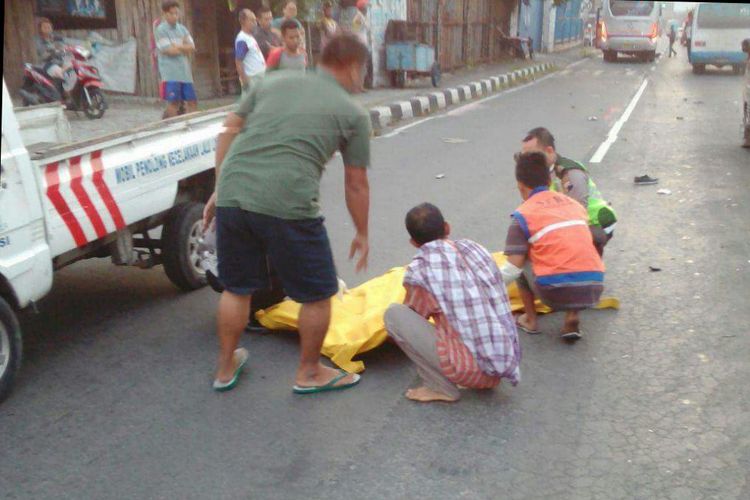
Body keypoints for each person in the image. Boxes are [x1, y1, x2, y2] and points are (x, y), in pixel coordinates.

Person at [202, 34, 372, 394]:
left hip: (234, 195)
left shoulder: (271, 81)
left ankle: (224, 368)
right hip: (289, 204)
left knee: (236, 288)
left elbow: (228, 129)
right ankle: (309, 372)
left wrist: (220, 187)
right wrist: (362, 232)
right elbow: (355, 183)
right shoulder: (353, 112)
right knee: (317, 293)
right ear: (354, 67)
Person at [384, 203, 521, 403]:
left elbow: (415, 313)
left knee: (394, 315)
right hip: (503, 360)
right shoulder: (475, 249)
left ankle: (440, 387)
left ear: (413, 242)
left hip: (470, 371)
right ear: (447, 228)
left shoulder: (419, 271)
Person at [501, 152, 605, 341]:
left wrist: (483, 289)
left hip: (554, 292)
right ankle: (572, 315)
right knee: (570, 249)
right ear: (549, 179)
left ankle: (530, 320)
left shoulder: (523, 214)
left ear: (520, 186)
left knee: (520, 259)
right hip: (593, 287)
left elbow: (511, 268)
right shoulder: (574, 205)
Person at [520, 127, 617, 256]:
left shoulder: (570, 174)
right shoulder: (543, 171)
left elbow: (577, 213)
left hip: (597, 222)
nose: (527, 161)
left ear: (549, 151)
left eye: (532, 155)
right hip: (578, 220)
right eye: (524, 156)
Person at [154, 0, 197, 119]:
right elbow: (169, 51)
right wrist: (183, 47)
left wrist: (177, 45)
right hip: (171, 73)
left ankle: (190, 127)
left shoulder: (182, 29)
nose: (175, 16)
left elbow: (192, 47)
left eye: (176, 13)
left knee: (192, 101)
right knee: (174, 103)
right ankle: (169, 127)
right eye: (172, 14)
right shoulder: (161, 30)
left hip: (185, 73)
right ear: (164, 14)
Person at [235, 9, 266, 100]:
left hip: (260, 77)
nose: (255, 23)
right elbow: (238, 61)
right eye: (252, 20)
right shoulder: (242, 39)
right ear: (243, 21)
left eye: (255, 20)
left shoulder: (250, 37)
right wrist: (245, 81)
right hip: (252, 79)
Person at [34, 18, 68, 99]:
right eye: (45, 27)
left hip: (60, 62)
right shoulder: (38, 40)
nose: (47, 29)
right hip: (48, 64)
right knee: (60, 73)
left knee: (74, 70)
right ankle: (60, 96)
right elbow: (42, 55)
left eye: (49, 27)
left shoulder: (55, 38)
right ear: (40, 29)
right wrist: (52, 50)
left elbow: (66, 43)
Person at [353, 0, 373, 89]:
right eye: (365, 7)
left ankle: (362, 85)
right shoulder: (358, 18)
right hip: (360, 44)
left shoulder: (364, 17)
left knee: (364, 66)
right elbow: (355, 31)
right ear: (361, 8)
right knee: (360, 66)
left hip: (365, 44)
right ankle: (358, 86)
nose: (367, 9)